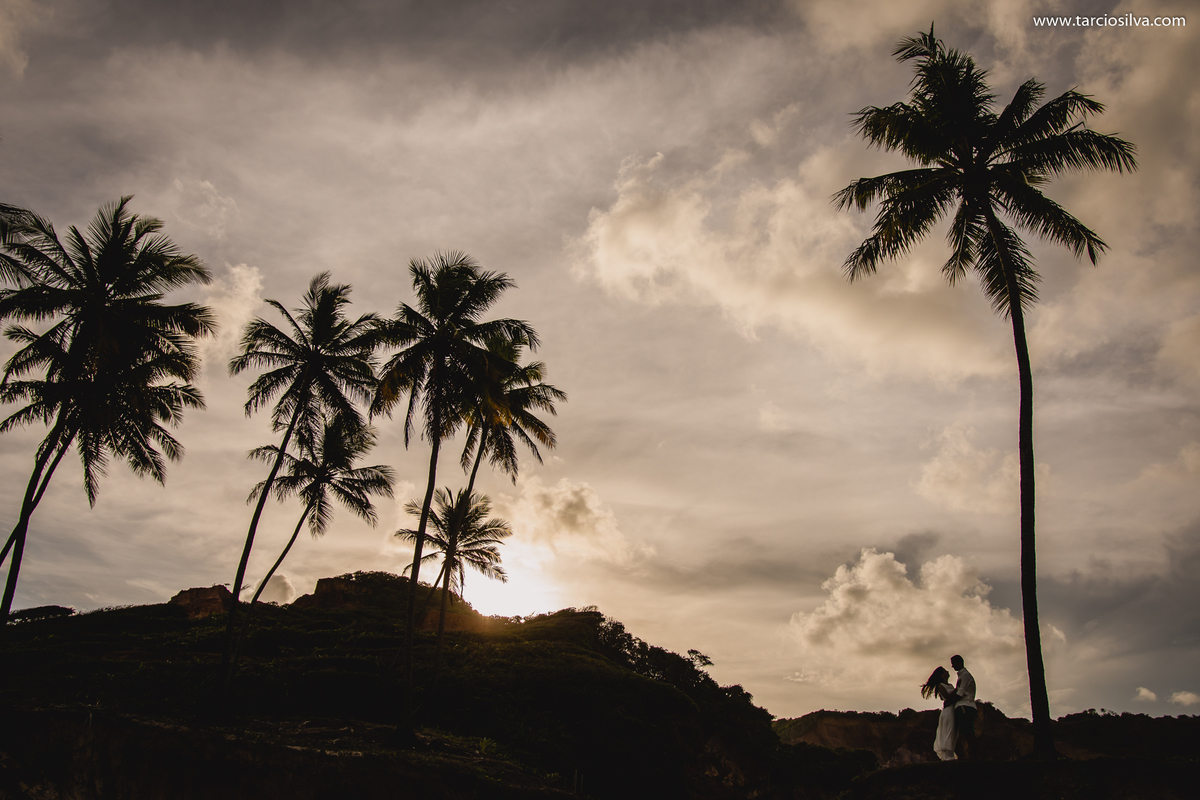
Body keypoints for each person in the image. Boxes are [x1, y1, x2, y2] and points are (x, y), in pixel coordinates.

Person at [920, 666, 958, 761]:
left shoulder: (950, 685)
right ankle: (948, 756)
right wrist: (958, 689)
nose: (948, 671)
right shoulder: (941, 686)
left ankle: (950, 754)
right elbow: (947, 697)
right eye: (945, 671)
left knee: (953, 731)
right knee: (948, 731)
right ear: (942, 675)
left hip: (952, 710)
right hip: (948, 711)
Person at [950, 654, 977, 759]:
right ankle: (969, 756)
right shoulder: (962, 675)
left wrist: (949, 702)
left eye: (953, 664)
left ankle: (972, 757)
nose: (952, 666)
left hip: (965, 706)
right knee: (965, 733)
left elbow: (960, 694)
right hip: (964, 706)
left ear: (959, 662)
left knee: (968, 733)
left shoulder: (965, 675)